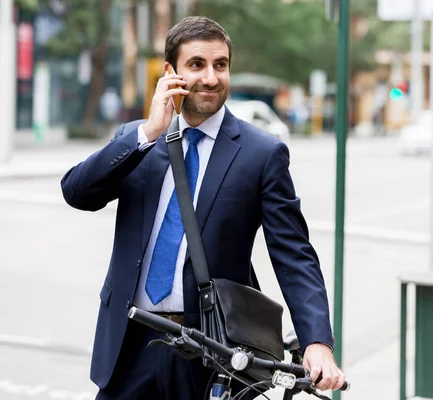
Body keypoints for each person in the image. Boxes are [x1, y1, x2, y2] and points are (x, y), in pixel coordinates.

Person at [61, 16, 344, 399]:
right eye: (196, 64)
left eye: (220, 65)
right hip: (128, 345)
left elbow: (294, 255)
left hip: (210, 354)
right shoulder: (137, 140)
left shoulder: (261, 154)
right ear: (170, 72)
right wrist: (148, 133)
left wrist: (317, 343)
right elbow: (78, 193)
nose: (211, 77)